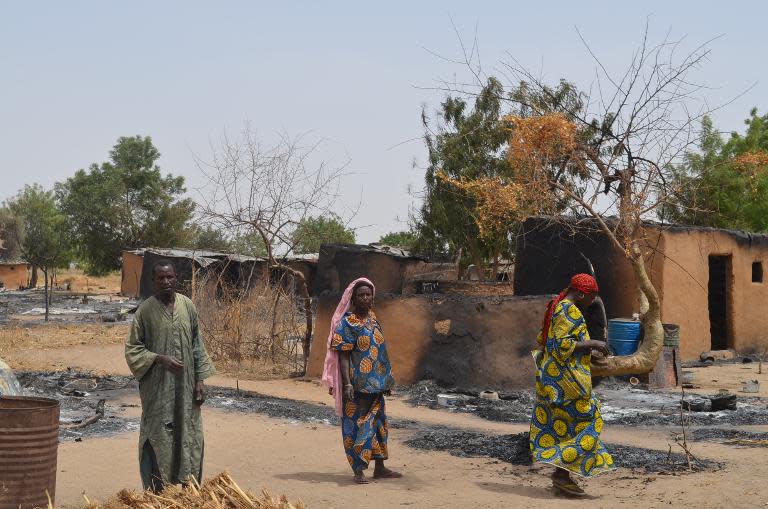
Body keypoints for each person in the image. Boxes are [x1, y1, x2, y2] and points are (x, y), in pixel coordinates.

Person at [125, 260, 216, 492]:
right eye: (161, 278)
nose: (166, 282)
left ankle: (189, 489)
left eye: (170, 277)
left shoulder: (188, 306)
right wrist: (159, 358)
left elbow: (197, 345)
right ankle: (158, 492)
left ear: (176, 279)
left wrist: (199, 381)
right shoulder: (145, 312)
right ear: (153, 282)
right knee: (158, 434)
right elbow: (133, 349)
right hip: (158, 390)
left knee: (189, 433)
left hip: (186, 389)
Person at [530, 273, 614, 497]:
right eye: (591, 299)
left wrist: (587, 351)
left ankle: (562, 476)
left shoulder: (555, 306)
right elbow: (561, 345)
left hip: (553, 379)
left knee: (566, 426)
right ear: (580, 293)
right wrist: (594, 342)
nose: (591, 303)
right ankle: (561, 475)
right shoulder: (569, 309)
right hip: (566, 381)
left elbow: (544, 339)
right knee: (590, 421)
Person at [321, 278, 402, 484]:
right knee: (356, 426)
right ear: (353, 298)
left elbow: (380, 352)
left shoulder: (373, 319)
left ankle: (380, 468)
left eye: (368, 294)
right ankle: (358, 470)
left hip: (377, 385)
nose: (365, 298)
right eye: (361, 295)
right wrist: (347, 383)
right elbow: (343, 356)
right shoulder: (347, 324)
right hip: (357, 387)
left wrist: (386, 381)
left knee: (378, 425)